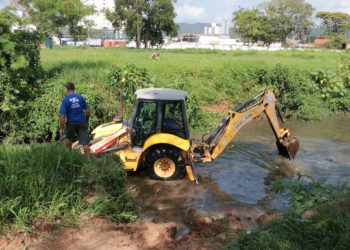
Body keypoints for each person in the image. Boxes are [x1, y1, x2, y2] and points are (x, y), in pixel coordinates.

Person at [59, 82, 91, 155]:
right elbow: (88, 111)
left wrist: (61, 128)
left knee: (68, 139)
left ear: (66, 89)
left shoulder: (65, 100)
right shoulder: (80, 97)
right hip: (82, 121)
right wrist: (86, 120)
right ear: (74, 89)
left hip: (71, 123)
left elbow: (62, 116)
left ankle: (69, 156)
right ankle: (88, 160)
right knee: (85, 143)